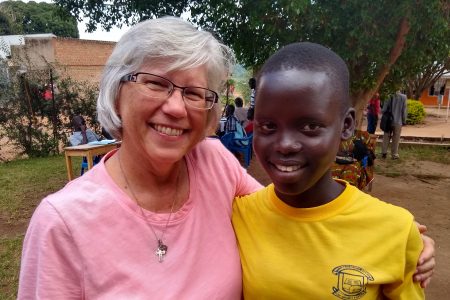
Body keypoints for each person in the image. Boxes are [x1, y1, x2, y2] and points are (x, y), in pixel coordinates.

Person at [18, 19, 434, 299]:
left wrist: (395, 238)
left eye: (194, 92)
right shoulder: (63, 223)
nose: (176, 108)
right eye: (156, 83)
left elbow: (290, 217)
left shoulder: (214, 163)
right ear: (116, 90)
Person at [232, 42, 429, 299]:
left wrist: (406, 240)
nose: (285, 145)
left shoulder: (395, 230)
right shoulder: (237, 217)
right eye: (268, 126)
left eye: (310, 127)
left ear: (346, 125)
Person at [381, 91, 407, 159]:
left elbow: (383, 110)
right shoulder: (404, 97)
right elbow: (404, 111)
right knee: (396, 138)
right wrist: (404, 121)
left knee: (386, 136)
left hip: (388, 121)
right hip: (398, 121)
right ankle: (394, 155)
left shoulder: (388, 96)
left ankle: (384, 153)